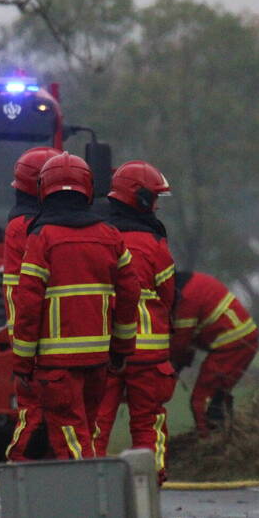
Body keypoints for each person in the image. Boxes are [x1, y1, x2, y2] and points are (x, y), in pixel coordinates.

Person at [11, 152, 140, 460]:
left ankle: (85, 502)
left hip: (56, 364)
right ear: (88, 187)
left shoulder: (41, 238)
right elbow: (130, 291)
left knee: (70, 437)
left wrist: (22, 363)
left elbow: (28, 304)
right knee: (86, 430)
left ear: (44, 188)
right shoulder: (110, 235)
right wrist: (121, 348)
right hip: (97, 360)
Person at [92, 161, 177, 482]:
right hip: (149, 355)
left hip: (106, 349)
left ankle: (94, 489)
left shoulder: (97, 236)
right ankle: (148, 489)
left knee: (97, 424)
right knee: (148, 424)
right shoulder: (154, 243)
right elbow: (168, 295)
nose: (155, 205)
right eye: (154, 197)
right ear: (140, 199)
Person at [2, 146, 60, 462]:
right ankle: (21, 478)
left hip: (33, 335)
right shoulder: (31, 228)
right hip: (39, 337)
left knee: (43, 417)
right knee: (37, 416)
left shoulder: (20, 224)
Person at [168, 271, 258, 439]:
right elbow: (183, 346)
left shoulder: (185, 300)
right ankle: (227, 438)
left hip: (232, 346)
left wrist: (167, 373)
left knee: (202, 401)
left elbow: (179, 346)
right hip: (239, 343)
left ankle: (210, 445)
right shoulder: (187, 285)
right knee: (216, 398)